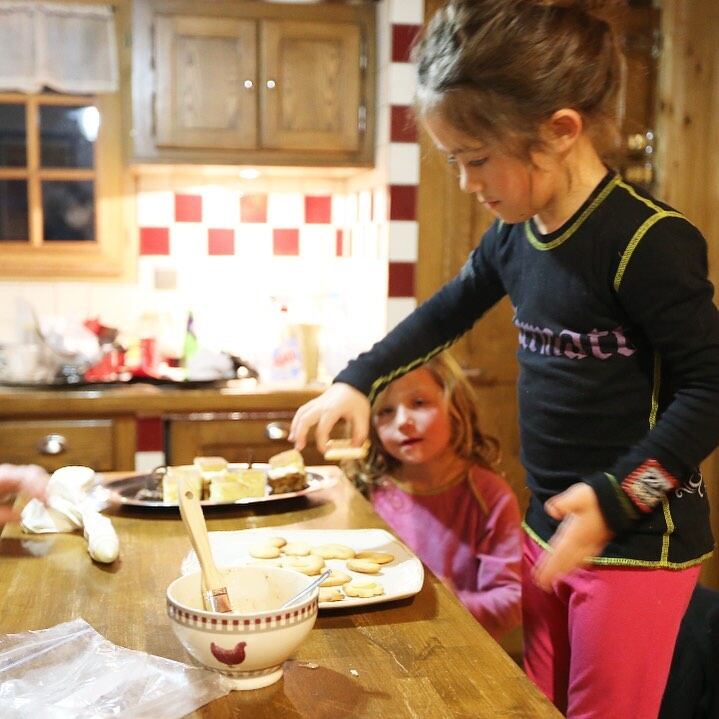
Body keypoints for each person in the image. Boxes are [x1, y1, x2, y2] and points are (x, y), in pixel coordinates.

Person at [290, 1, 719, 716]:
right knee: (532, 701)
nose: (465, 183)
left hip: (637, 542)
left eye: (475, 159)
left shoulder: (646, 241)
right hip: (547, 527)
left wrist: (615, 499)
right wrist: (357, 381)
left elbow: (709, 389)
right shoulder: (514, 235)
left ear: (558, 131)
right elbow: (444, 311)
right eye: (452, 162)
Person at [364, 352, 521, 641]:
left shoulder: (489, 496)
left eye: (419, 403)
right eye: (385, 411)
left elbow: (512, 601)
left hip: (460, 648)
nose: (402, 422)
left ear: (456, 407)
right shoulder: (369, 490)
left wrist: (451, 602)